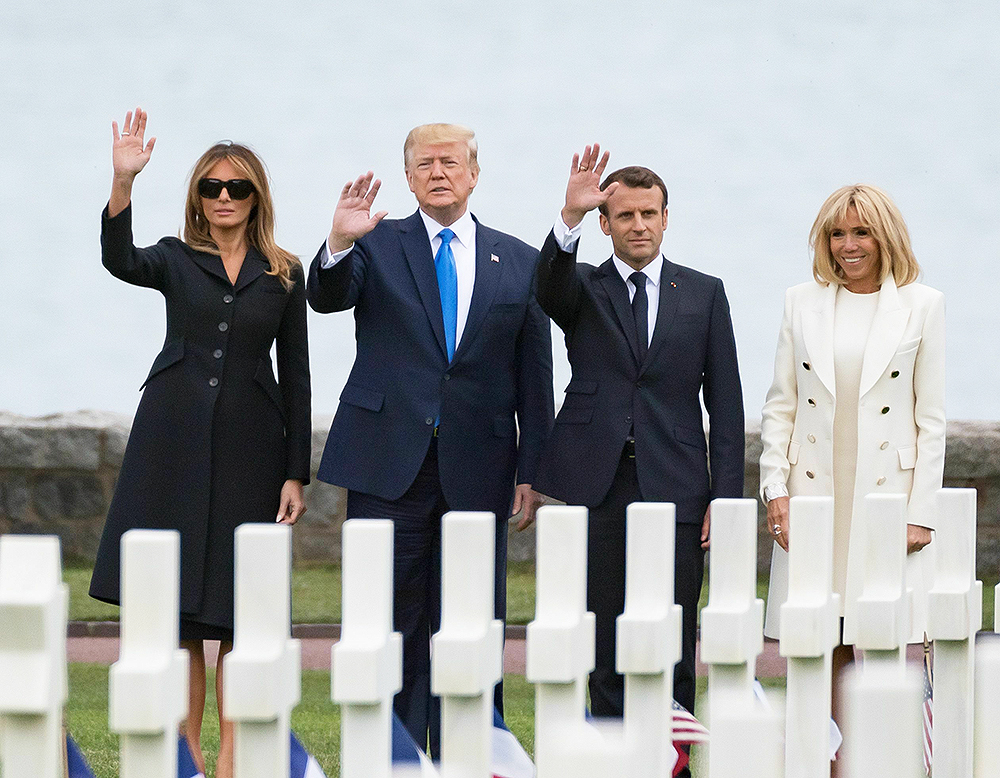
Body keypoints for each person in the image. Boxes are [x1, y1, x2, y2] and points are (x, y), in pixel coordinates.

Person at [306, 123, 554, 753]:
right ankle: (395, 753)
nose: (438, 172)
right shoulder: (375, 241)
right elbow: (326, 298)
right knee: (390, 619)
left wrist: (534, 470)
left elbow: (535, 377)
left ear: (474, 173)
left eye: (450, 162)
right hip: (389, 466)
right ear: (409, 176)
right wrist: (337, 241)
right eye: (424, 164)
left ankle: (474, 750)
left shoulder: (520, 260)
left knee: (475, 619)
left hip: (481, 466)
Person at [89, 109, 311, 778]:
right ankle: (185, 756)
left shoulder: (285, 272)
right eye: (210, 188)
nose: (222, 198)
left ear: (256, 198)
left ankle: (234, 759)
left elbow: (297, 380)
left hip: (253, 448)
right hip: (172, 443)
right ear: (196, 197)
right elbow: (118, 259)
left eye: (236, 188)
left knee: (243, 615)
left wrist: (295, 473)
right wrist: (122, 181)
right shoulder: (175, 257)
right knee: (180, 616)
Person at [532, 146, 745, 733]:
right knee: (601, 637)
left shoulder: (703, 292)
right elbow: (544, 285)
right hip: (596, 485)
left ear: (666, 217)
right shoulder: (580, 287)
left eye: (649, 213)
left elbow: (724, 405)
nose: (639, 225)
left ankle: (670, 764)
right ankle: (609, 759)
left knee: (673, 634)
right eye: (625, 216)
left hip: (676, 484)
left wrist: (724, 500)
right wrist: (568, 216)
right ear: (606, 224)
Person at [759, 183, 945, 740]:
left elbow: (930, 420)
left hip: (886, 495)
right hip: (815, 493)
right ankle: (829, 759)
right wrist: (777, 491)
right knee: (822, 636)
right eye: (837, 233)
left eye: (860, 231)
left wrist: (922, 512)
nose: (848, 245)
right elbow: (780, 406)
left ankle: (883, 758)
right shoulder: (801, 301)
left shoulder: (923, 305)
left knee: (884, 633)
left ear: (884, 236)